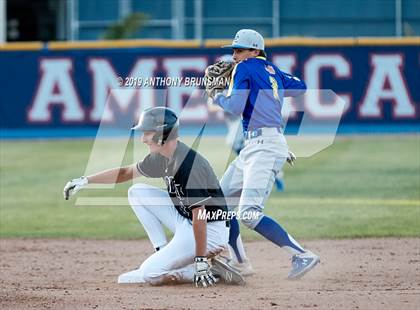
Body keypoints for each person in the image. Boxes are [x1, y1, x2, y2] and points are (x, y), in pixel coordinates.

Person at [63, 107, 245, 287]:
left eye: (147, 133)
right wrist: (85, 180)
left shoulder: (189, 166)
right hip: (186, 219)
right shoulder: (161, 157)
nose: (142, 139)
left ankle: (205, 269)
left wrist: (199, 259)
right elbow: (126, 172)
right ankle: (164, 252)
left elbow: (200, 216)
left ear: (163, 134)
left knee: (149, 274)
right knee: (137, 192)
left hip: (210, 231)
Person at [212, 29, 320, 279]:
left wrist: (219, 97)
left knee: (249, 213)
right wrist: (272, 83)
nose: (234, 55)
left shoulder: (245, 67)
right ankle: (240, 262)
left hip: (264, 146)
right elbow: (300, 87)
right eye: (233, 50)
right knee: (217, 203)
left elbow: (235, 107)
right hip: (258, 145)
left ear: (254, 51)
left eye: (238, 50)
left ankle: (302, 255)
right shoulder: (272, 69)